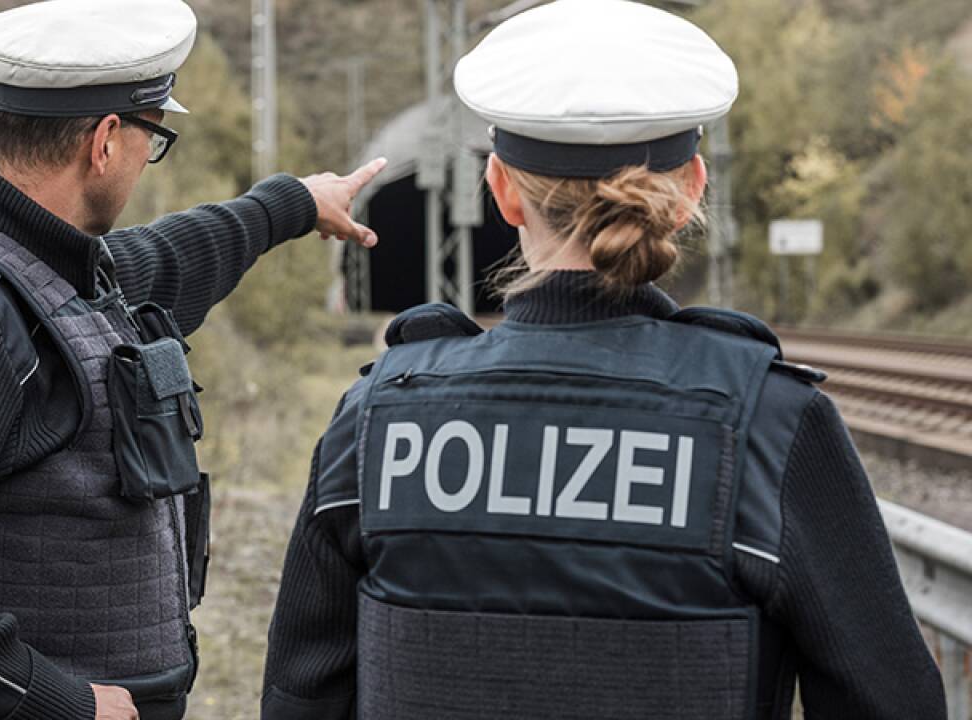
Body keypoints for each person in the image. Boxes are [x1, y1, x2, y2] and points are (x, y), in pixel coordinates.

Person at [260, 1, 946, 718]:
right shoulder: (771, 423)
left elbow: (300, 696)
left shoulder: (377, 418)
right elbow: (892, 698)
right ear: (689, 193)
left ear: (502, 191)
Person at [0, 1, 386, 719]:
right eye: (154, 137)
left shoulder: (54, 272)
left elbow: (172, 258)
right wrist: (54, 700)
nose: (148, 158)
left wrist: (293, 204)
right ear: (106, 141)